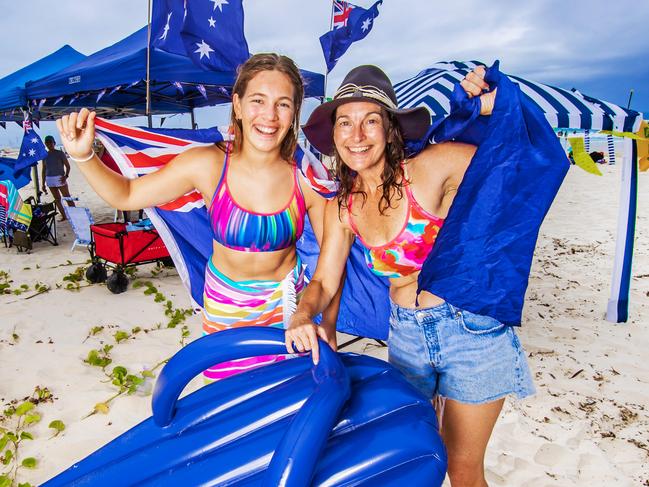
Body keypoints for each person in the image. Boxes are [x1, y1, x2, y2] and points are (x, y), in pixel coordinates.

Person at [285, 65, 535, 487]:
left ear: (390, 129)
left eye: (370, 121)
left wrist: (497, 107)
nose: (357, 134)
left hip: (470, 330)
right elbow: (324, 281)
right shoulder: (343, 207)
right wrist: (302, 315)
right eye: (345, 122)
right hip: (405, 336)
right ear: (335, 134)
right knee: (417, 456)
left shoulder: (433, 167)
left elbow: (514, 160)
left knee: (462, 469)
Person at [56, 53, 339, 381]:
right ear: (237, 104)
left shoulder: (307, 179)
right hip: (226, 309)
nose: (270, 116)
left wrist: (315, 318)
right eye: (258, 101)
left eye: (283, 104)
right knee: (228, 402)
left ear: (295, 113)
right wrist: (84, 156)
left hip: (291, 309)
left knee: (285, 403)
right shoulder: (206, 164)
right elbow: (127, 194)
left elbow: (328, 270)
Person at [41, 135, 76, 221]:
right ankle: (64, 216)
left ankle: (75, 215)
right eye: (47, 143)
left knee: (67, 197)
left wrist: (66, 176)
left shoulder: (60, 153)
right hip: (49, 179)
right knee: (57, 199)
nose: (49, 144)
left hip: (59, 178)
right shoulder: (44, 155)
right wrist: (43, 183)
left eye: (50, 142)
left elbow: (68, 166)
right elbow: (43, 170)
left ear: (54, 143)